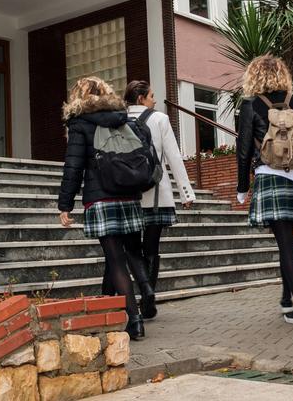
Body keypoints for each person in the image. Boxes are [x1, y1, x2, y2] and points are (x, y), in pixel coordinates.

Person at [58, 76, 152, 340]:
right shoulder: (122, 118)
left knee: (116, 261)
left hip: (101, 198)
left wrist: (65, 204)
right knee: (132, 252)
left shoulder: (79, 123)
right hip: (128, 194)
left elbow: (73, 166)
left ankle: (134, 320)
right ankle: (140, 304)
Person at [236, 55, 293, 325]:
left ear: (254, 76)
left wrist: (242, 187)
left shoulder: (250, 105)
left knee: (285, 244)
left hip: (271, 177)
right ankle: (287, 297)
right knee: (288, 243)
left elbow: (244, 150)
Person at [124, 80, 196, 319]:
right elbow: (174, 157)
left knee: (132, 249)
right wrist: (186, 192)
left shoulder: (118, 119)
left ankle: (140, 292)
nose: (155, 100)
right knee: (151, 247)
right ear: (140, 98)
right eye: (151, 95)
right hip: (156, 193)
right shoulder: (160, 119)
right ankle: (148, 297)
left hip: (128, 195)